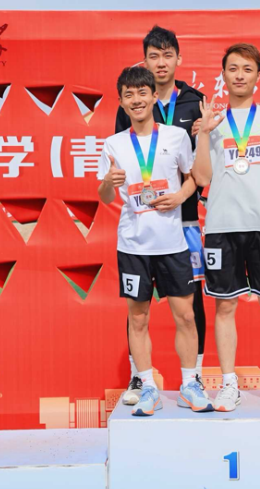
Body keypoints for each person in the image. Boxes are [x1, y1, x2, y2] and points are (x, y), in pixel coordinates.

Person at [194, 43, 260, 412]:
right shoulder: (213, 123)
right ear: (223, 75)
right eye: (233, 68)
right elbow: (202, 178)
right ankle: (229, 385)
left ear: (259, 75)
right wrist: (203, 134)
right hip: (222, 226)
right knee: (224, 307)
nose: (239, 75)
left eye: (247, 69)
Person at [98, 66, 212, 416]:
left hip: (173, 243)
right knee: (138, 318)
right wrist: (108, 183)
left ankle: (190, 383)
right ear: (122, 102)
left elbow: (196, 177)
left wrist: (180, 197)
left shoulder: (175, 137)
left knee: (186, 316)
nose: (136, 100)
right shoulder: (114, 144)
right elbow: (105, 196)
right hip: (133, 245)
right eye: (129, 95)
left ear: (152, 96)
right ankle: (147, 385)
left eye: (142, 93)